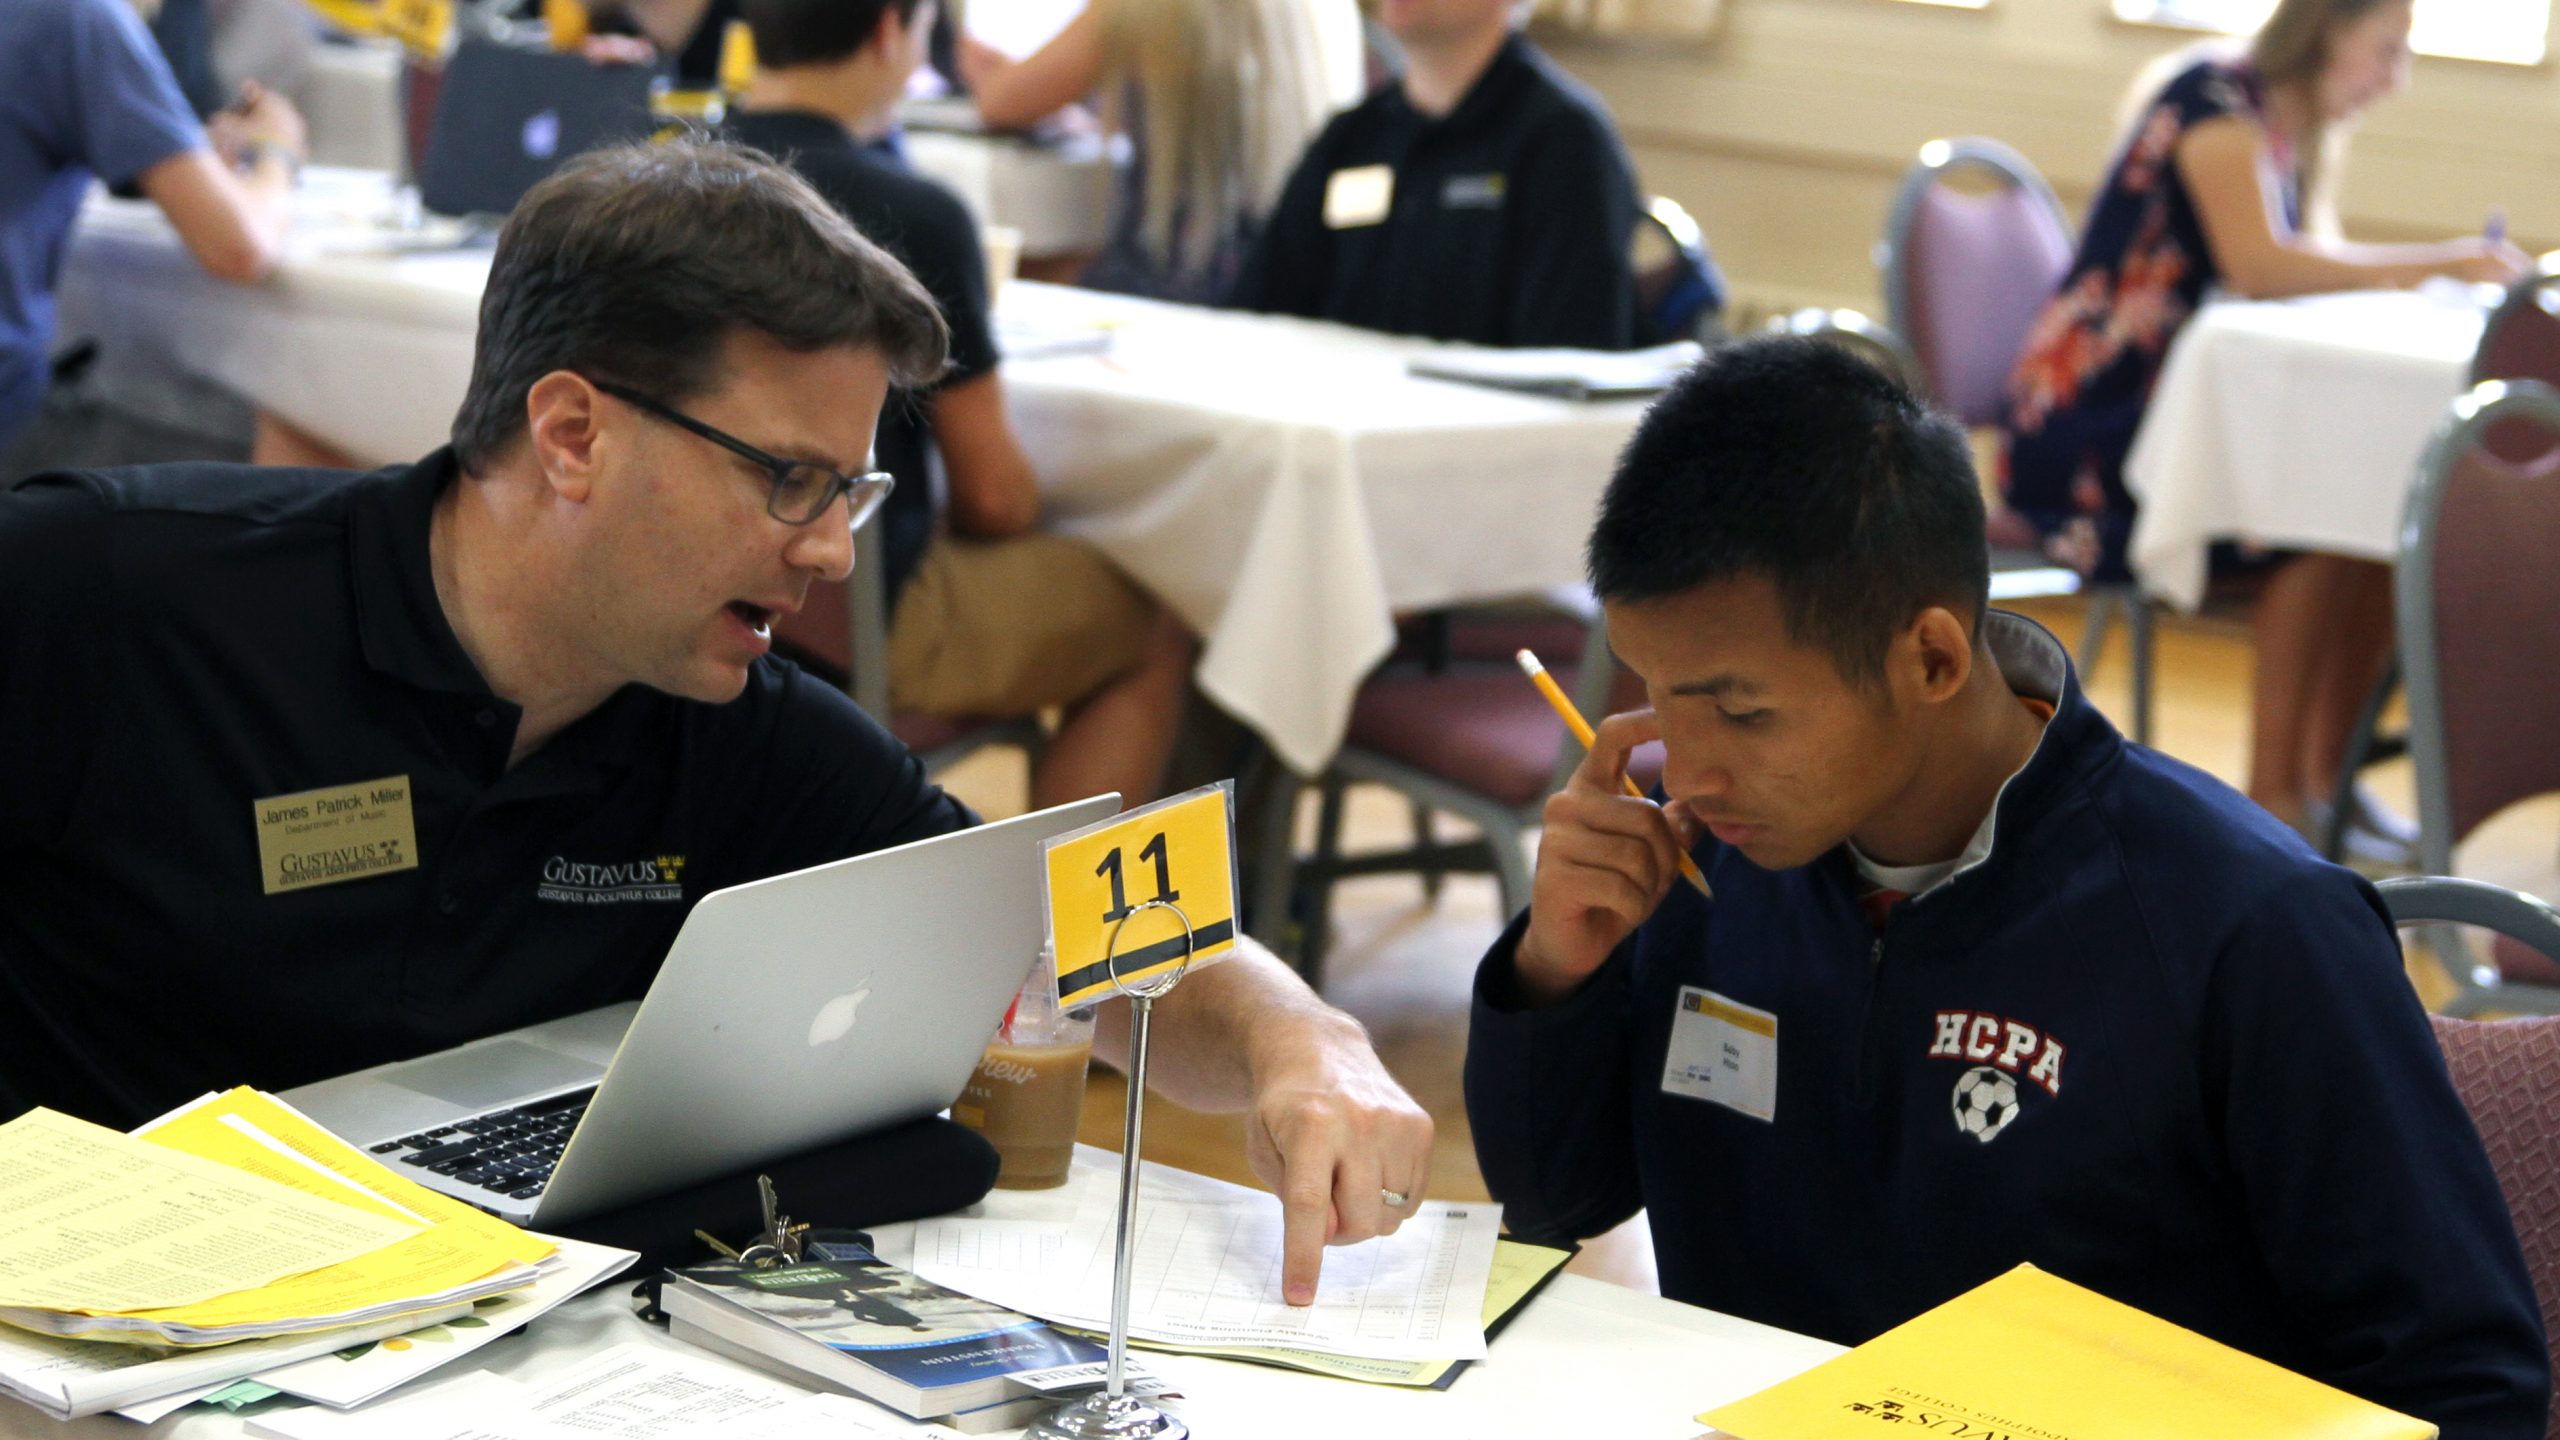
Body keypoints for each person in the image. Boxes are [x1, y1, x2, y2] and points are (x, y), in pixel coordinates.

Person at [0, 140, 1432, 1304]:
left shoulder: (733, 722)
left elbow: (1066, 922)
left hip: (478, 1330)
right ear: (573, 435)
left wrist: (1298, 1038)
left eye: (852, 493)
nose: (832, 552)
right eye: (791, 479)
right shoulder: (113, 596)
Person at [1466, 337, 2547, 1436]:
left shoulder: (2244, 927)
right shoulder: (1712, 866)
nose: (1684, 771)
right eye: (1655, 695)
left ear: (1931, 660)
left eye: (1742, 713)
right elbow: (1558, 1205)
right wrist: (1555, 969)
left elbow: (2469, 1385)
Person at [2000, 0, 2526, 838]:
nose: (2395, 79)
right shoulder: (2214, 100)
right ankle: (2273, 791)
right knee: (2318, 513)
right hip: (2094, 426)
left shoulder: (2280, 126)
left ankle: (2327, 775)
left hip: (2163, 401)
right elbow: (2259, 264)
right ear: (2327, 27)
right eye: (2386, 51)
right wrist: (2443, 259)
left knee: (2374, 504)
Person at [727, 0, 1192, 813]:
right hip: (853, 610)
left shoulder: (665, 183)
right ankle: (1065, 931)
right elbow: (995, 499)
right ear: (887, 30)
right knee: (1160, 617)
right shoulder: (910, 215)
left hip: (704, 591)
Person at [1227, 0, 1641, 350]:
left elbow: (1571, 360)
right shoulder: (1352, 137)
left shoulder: (1563, 142)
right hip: (1336, 425)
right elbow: (1255, 317)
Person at [0, 0, 305, 456]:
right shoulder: (77, 17)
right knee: (298, 434)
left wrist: (180, 150)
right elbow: (242, 246)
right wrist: (277, 149)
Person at [958, 0, 1356, 303]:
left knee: (993, 276)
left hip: (1178, 275)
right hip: (1289, 270)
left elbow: (1002, 102)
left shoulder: (1144, 8)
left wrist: (975, 61)